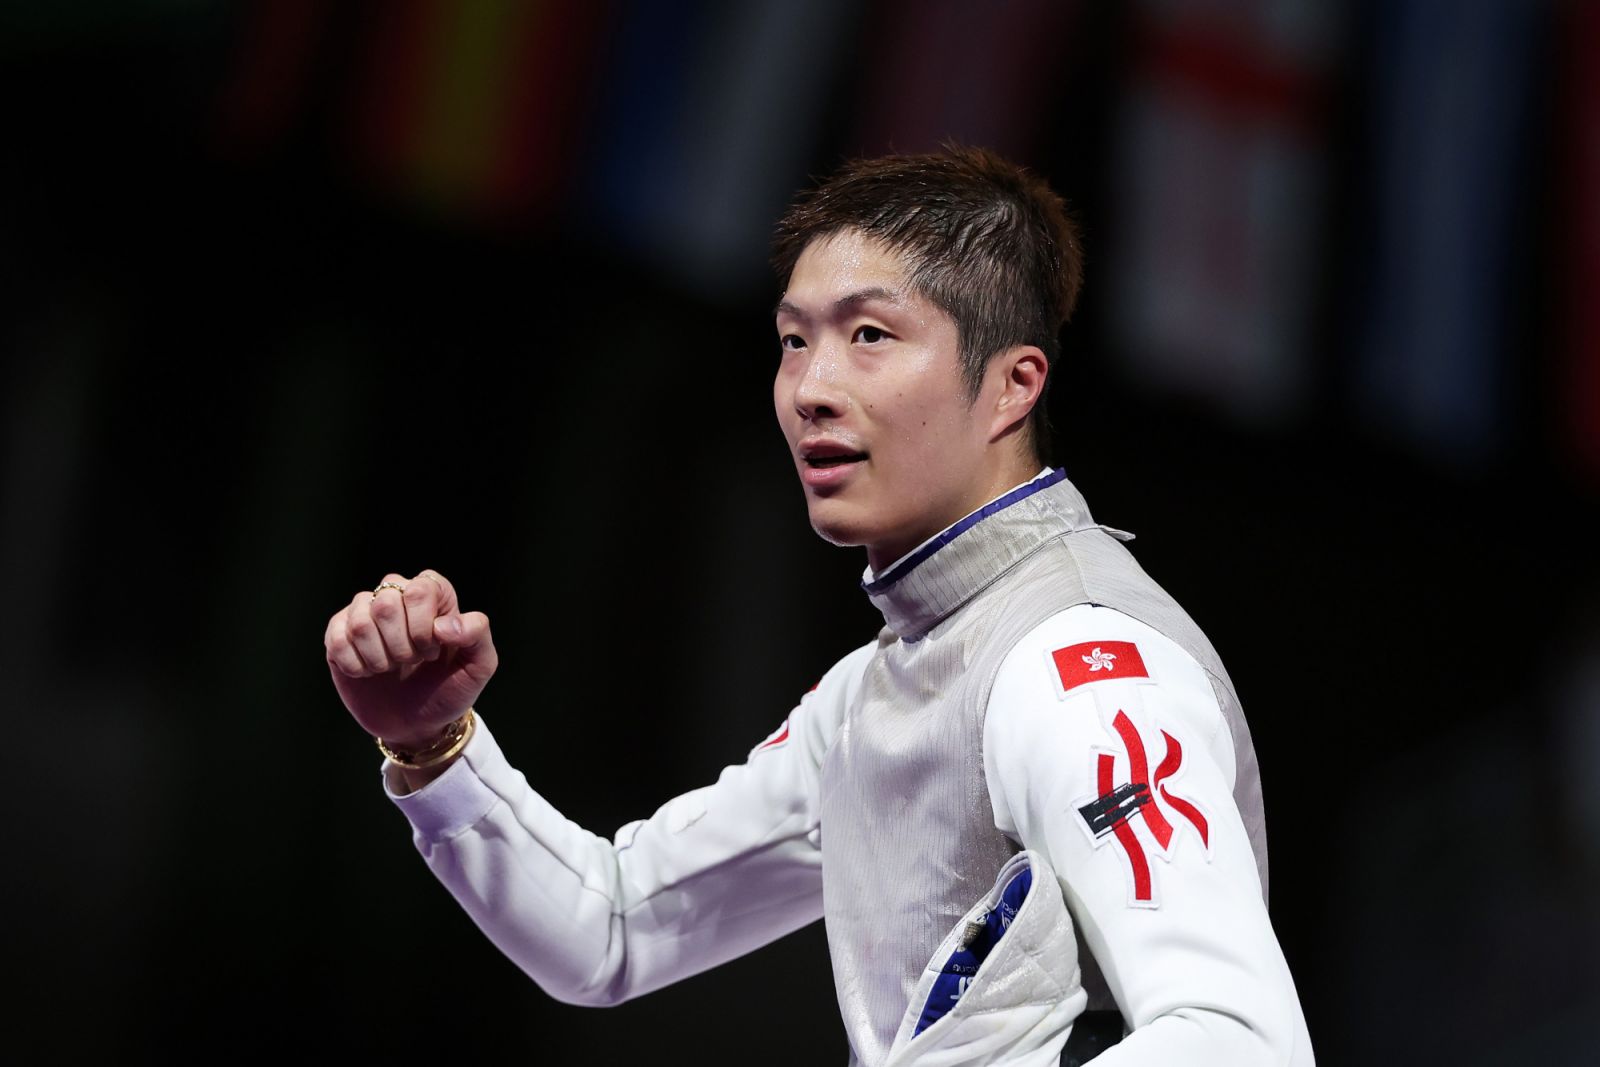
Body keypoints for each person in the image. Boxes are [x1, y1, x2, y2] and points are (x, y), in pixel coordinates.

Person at [323, 146, 1313, 1066]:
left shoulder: (1077, 668)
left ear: (1011, 386)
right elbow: (613, 926)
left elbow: (1237, 1039)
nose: (812, 388)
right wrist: (433, 746)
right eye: (796, 341)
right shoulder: (881, 690)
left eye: (870, 335)